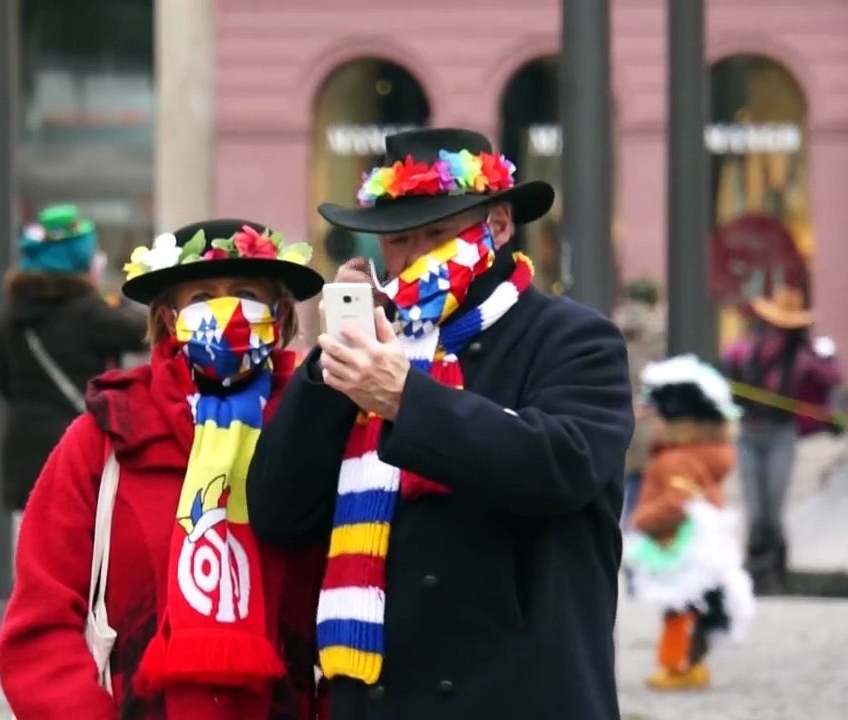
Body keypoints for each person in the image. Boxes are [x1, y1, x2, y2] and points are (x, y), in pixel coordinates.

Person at [246, 127, 635, 719]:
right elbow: (278, 511)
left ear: (498, 227)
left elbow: (560, 467)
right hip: (383, 696)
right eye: (399, 241)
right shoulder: (376, 342)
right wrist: (333, 365)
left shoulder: (573, 338)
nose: (415, 257)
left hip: (520, 692)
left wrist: (408, 401)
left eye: (437, 234)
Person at [0, 219, 328, 720]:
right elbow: (41, 616)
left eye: (244, 292)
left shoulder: (322, 426)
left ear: (280, 314)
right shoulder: (105, 438)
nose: (224, 310)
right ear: (170, 319)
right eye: (200, 297)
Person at [0, 204, 147, 513]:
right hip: (78, 447)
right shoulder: (91, 313)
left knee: (32, 550)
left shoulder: (11, 317)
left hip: (25, 450)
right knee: (80, 551)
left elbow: (4, 384)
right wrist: (114, 297)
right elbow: (144, 332)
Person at [623, 354, 755, 691]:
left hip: (678, 545)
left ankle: (676, 665)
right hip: (699, 544)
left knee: (679, 609)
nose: (652, 424)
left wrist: (642, 519)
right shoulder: (705, 453)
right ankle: (690, 663)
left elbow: (678, 500)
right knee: (694, 608)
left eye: (657, 419)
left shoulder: (675, 460)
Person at [721, 285, 842, 594]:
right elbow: (726, 369)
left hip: (780, 435)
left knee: (774, 509)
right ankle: (755, 574)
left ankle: (776, 573)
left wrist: (818, 354)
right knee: (756, 509)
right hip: (749, 432)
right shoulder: (745, 350)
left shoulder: (803, 356)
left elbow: (832, 378)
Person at [615, 277, 668, 528]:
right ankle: (634, 540)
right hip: (648, 416)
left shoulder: (611, 325)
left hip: (619, 414)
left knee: (621, 485)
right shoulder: (659, 331)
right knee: (643, 486)